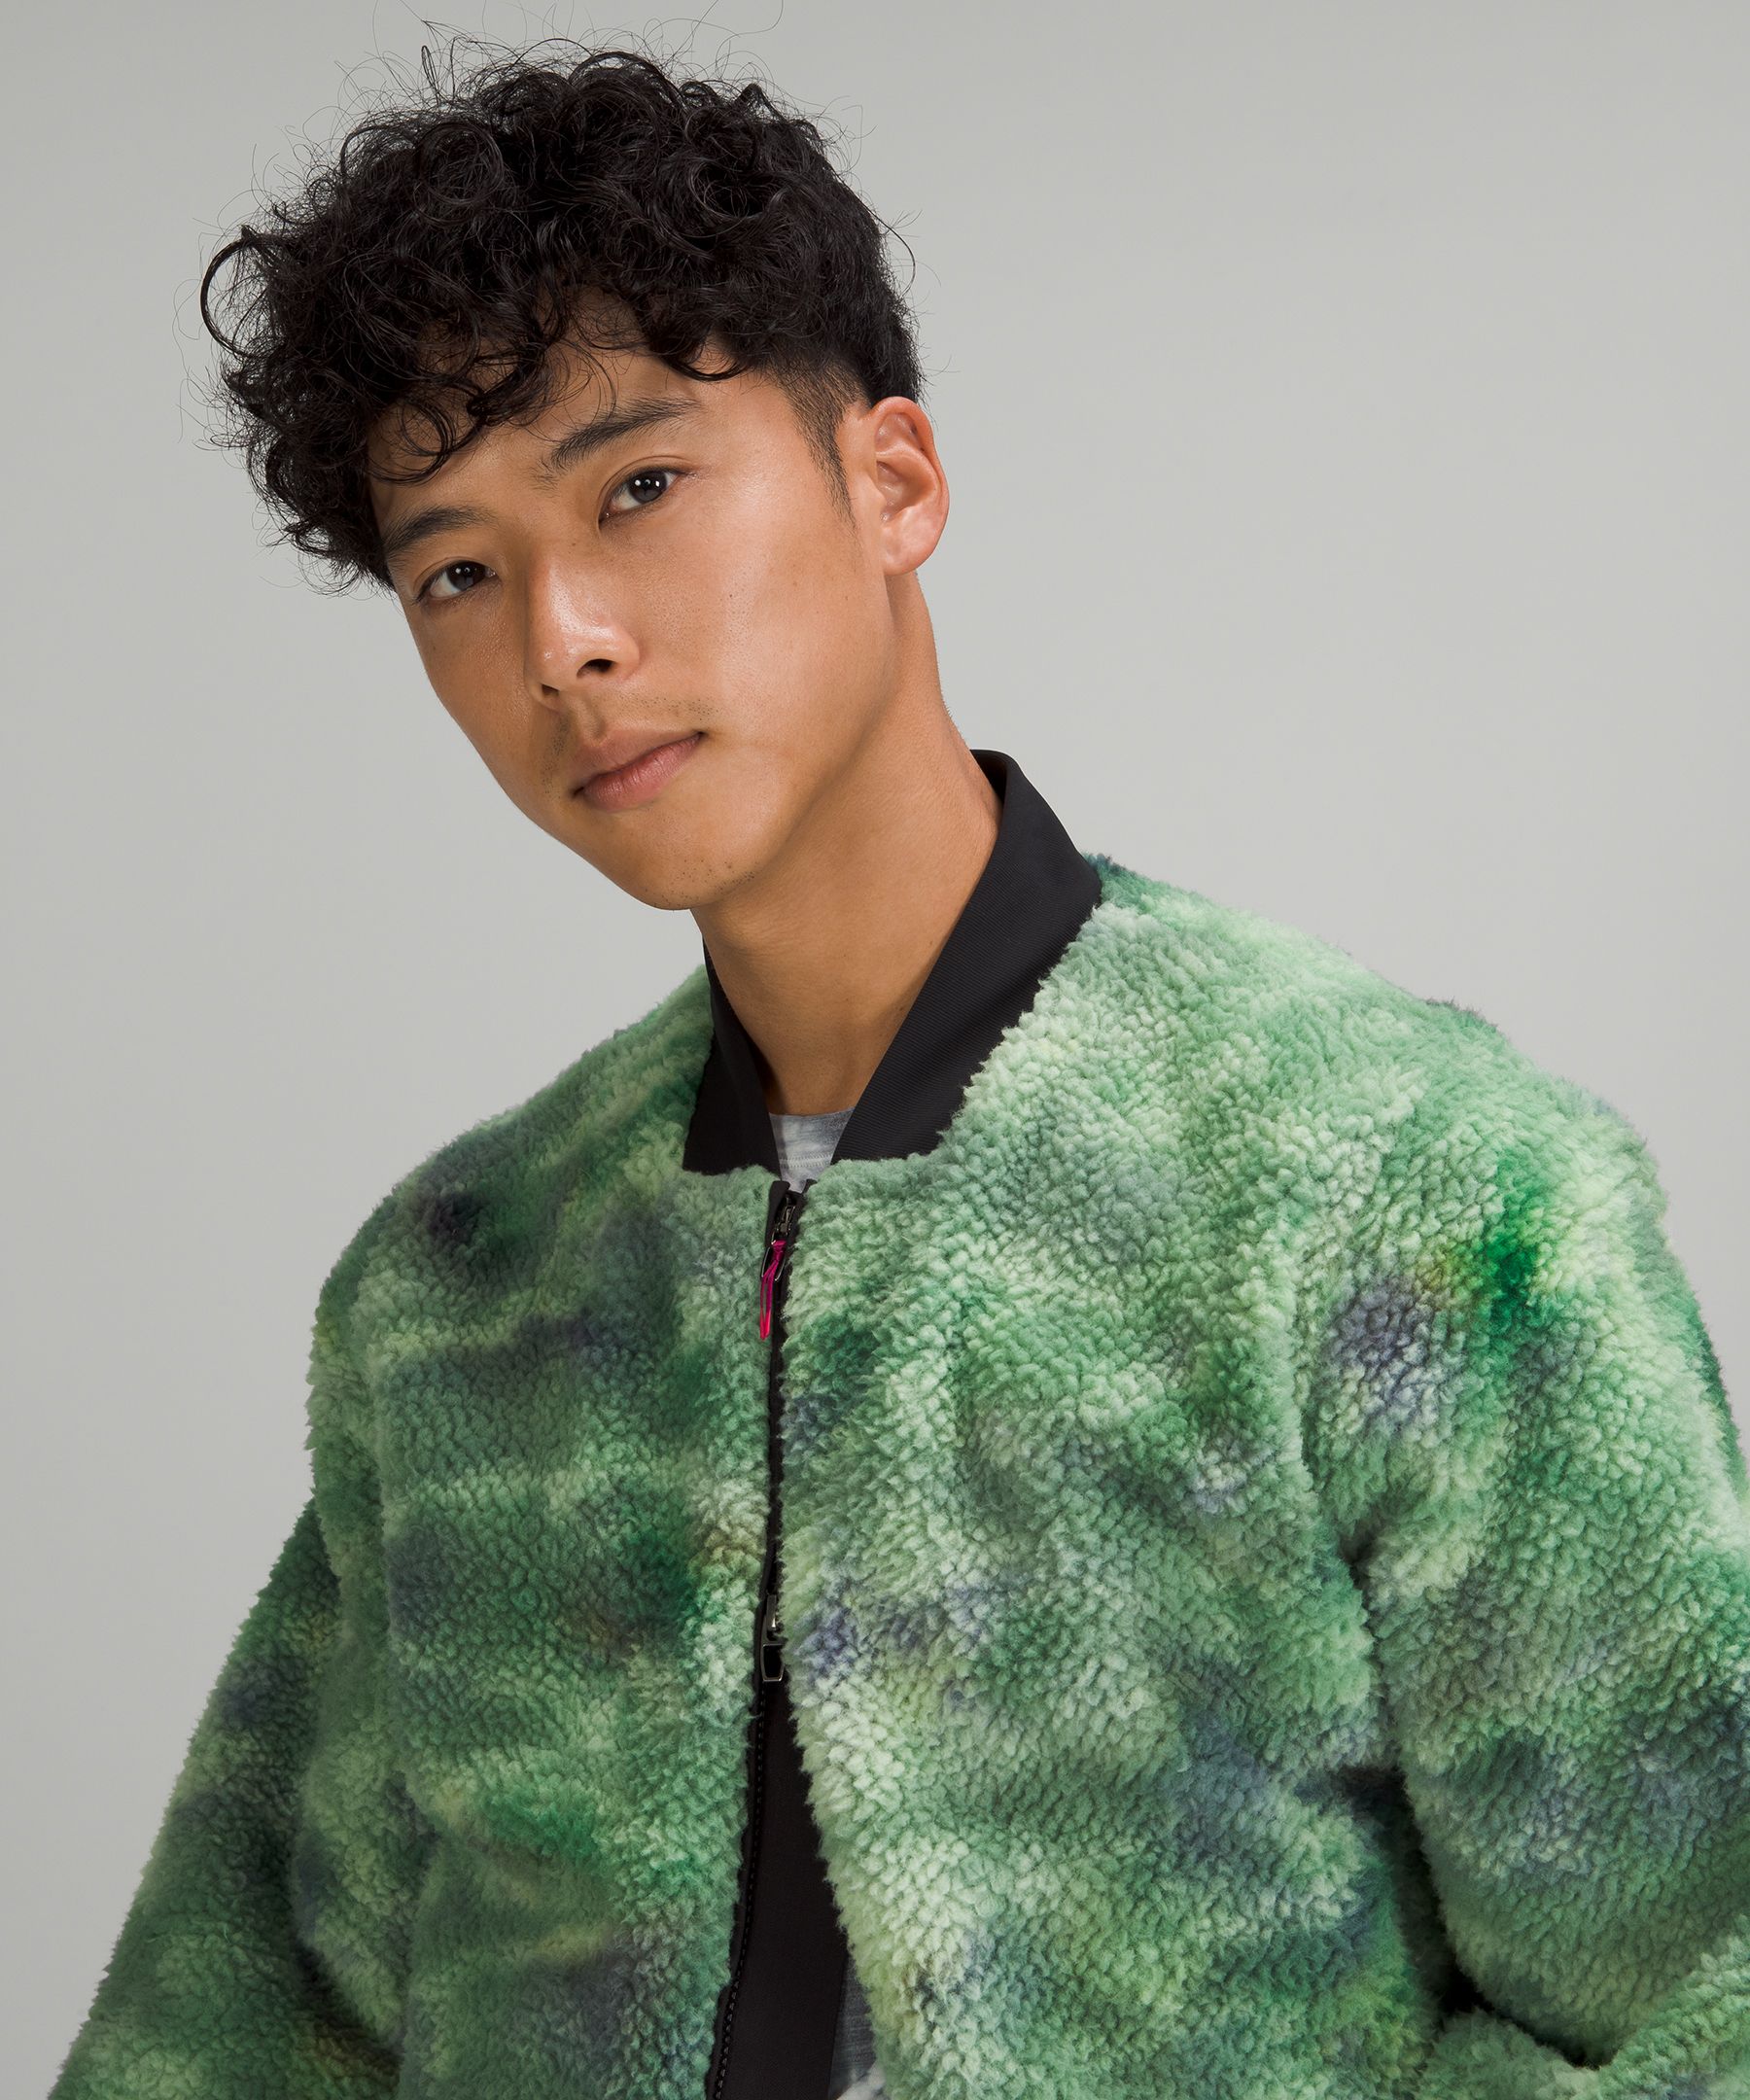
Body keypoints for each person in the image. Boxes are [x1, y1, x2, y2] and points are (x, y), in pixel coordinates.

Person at [50, 35, 1749, 2100]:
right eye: (458, 572)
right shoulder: (462, 1288)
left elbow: (1704, 1997)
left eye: (640, 488)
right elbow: (255, 2022)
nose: (562, 638)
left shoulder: (1406, 1188)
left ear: (894, 485)